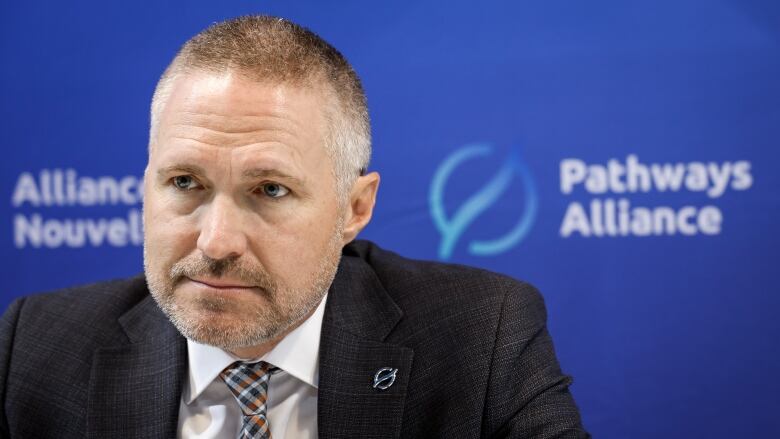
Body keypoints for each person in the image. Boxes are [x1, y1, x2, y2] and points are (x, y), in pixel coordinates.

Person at [0, 15, 589, 439]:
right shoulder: (33, 351)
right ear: (145, 184)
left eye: (270, 191)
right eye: (185, 183)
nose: (216, 242)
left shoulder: (478, 339)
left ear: (354, 209)